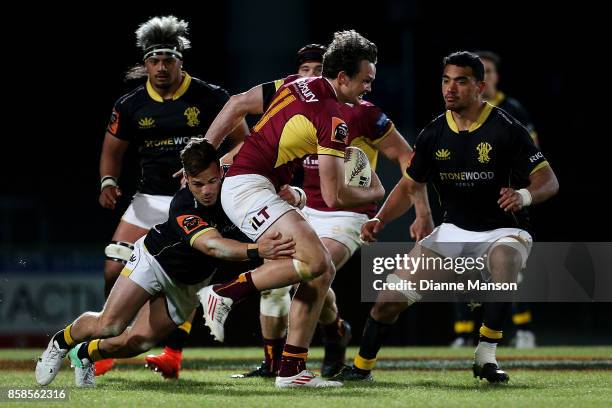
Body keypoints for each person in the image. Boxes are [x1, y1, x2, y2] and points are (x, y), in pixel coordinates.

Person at [333, 51, 559, 383]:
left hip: (506, 231)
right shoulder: (433, 133)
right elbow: (410, 184)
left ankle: (485, 357)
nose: (450, 89)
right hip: (454, 231)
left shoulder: (506, 127)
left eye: (461, 81)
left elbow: (548, 181)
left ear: (480, 86)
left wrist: (523, 195)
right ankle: (362, 367)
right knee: (387, 301)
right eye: (445, 80)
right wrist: (379, 219)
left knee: (504, 262)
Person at [223, 44, 433, 379]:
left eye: (316, 70)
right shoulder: (298, 98)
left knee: (317, 272)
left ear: (335, 75)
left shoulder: (365, 114)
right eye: (304, 70)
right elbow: (252, 130)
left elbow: (410, 160)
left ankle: (291, 365)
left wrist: (418, 211)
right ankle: (302, 348)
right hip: (306, 207)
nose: (309, 77)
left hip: (348, 215)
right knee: (282, 274)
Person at [197, 30, 385, 388]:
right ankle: (224, 294)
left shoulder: (297, 83)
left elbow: (238, 102)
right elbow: (333, 196)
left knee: (320, 269)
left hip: (249, 184)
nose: (369, 89)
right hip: (248, 189)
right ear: (343, 78)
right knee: (318, 264)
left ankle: (290, 369)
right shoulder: (335, 119)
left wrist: (206, 151)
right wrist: (374, 193)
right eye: (366, 81)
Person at [35, 139, 295, 387]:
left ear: (221, 170)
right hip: (154, 261)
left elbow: (261, 149)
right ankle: (60, 342)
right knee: (110, 325)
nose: (206, 191)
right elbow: (212, 246)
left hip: (188, 284)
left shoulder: (238, 186)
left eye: (212, 181)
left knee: (137, 343)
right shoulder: (184, 204)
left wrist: (296, 195)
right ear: (186, 179)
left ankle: (85, 356)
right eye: (197, 183)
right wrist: (258, 249)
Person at [97, 15, 248, 375]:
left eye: (168, 60)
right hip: (149, 199)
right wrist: (107, 180)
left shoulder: (211, 97)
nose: (161, 67)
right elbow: (112, 150)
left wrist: (210, 168)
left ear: (181, 60)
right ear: (144, 63)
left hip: (198, 200)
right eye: (154, 60)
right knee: (112, 267)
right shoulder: (130, 103)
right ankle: (106, 339)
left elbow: (244, 140)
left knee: (186, 280)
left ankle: (172, 354)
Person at [451, 50, 539, 348]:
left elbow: (533, 153)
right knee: (464, 269)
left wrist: (521, 190)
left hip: (506, 201)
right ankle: (463, 333)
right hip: (469, 200)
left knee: (511, 268)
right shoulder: (458, 112)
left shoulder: (512, 110)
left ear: (495, 77)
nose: (484, 78)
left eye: (488, 71)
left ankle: (522, 330)